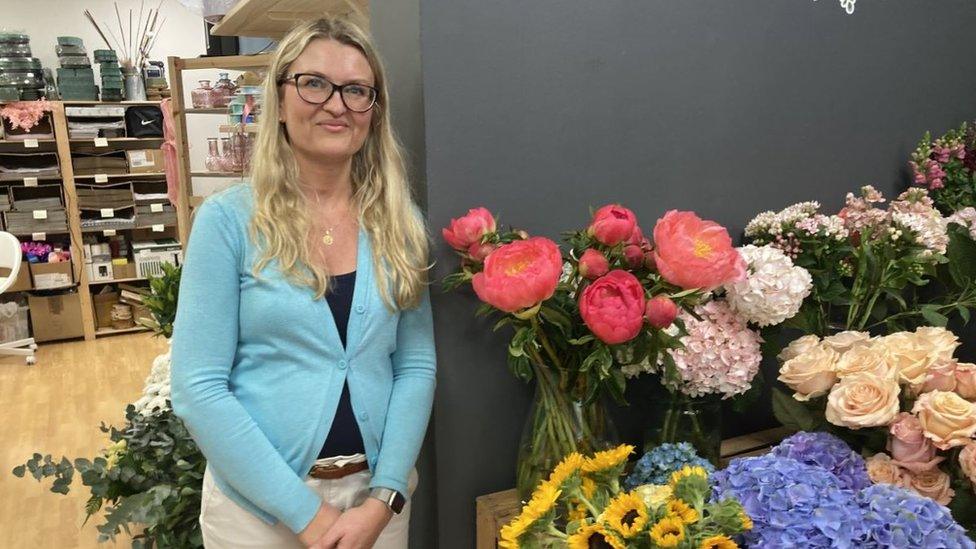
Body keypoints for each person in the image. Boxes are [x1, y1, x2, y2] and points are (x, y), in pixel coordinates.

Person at [171, 16, 435, 549]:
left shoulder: (399, 220)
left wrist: (384, 497)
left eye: (357, 90)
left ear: (373, 111)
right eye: (314, 83)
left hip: (374, 507)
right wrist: (305, 515)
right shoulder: (228, 222)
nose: (337, 104)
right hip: (259, 512)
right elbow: (197, 389)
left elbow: (415, 365)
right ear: (281, 97)